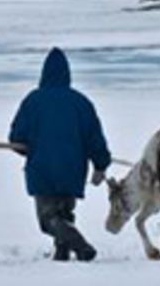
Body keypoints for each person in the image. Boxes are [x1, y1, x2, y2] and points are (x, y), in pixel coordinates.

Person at [8, 47, 112, 262]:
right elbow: (94, 137)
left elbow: (17, 138)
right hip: (72, 169)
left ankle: (81, 246)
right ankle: (62, 253)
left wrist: (26, 150)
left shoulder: (33, 101)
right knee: (64, 214)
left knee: (48, 219)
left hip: (42, 168)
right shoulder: (81, 103)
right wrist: (100, 165)